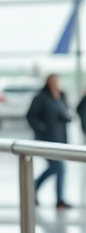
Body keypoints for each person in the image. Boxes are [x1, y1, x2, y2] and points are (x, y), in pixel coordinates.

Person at [27, 74, 72, 209]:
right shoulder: (40, 97)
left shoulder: (60, 97)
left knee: (59, 168)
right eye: (55, 82)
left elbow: (65, 114)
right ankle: (56, 196)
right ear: (49, 83)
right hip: (46, 140)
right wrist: (42, 128)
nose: (57, 85)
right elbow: (31, 116)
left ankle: (57, 198)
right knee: (59, 167)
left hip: (59, 139)